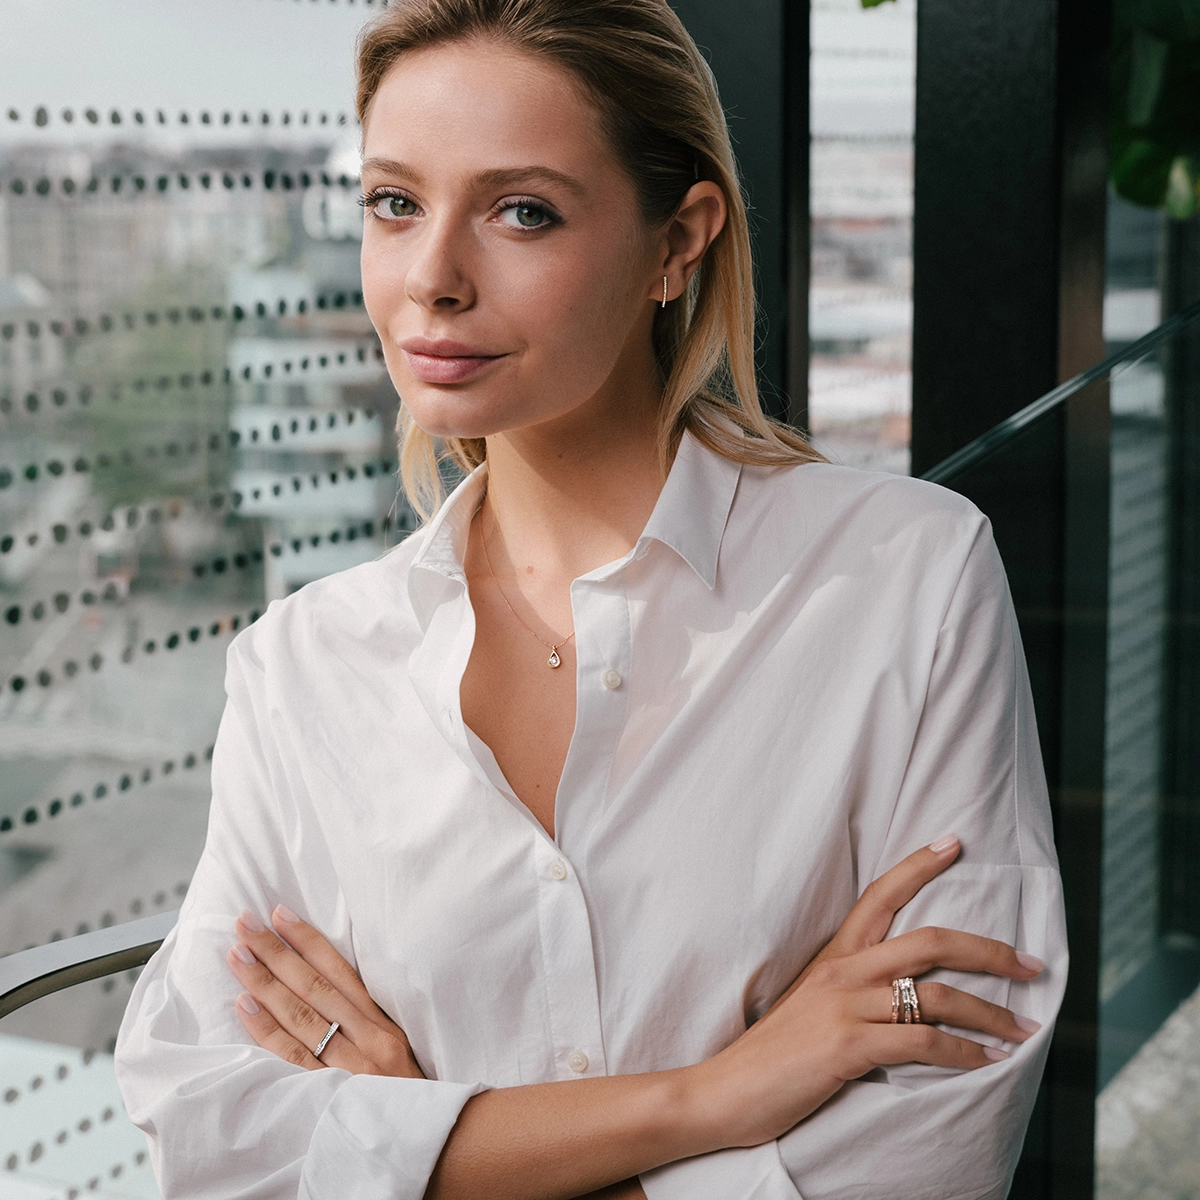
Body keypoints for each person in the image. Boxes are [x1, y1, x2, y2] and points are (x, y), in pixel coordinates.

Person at [115, 1, 1067, 1196]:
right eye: (394, 203)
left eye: (523, 212)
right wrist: (711, 1098)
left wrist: (427, 1145)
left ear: (679, 242)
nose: (432, 279)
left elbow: (946, 1126)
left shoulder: (907, 581)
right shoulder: (301, 666)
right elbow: (208, 1126)